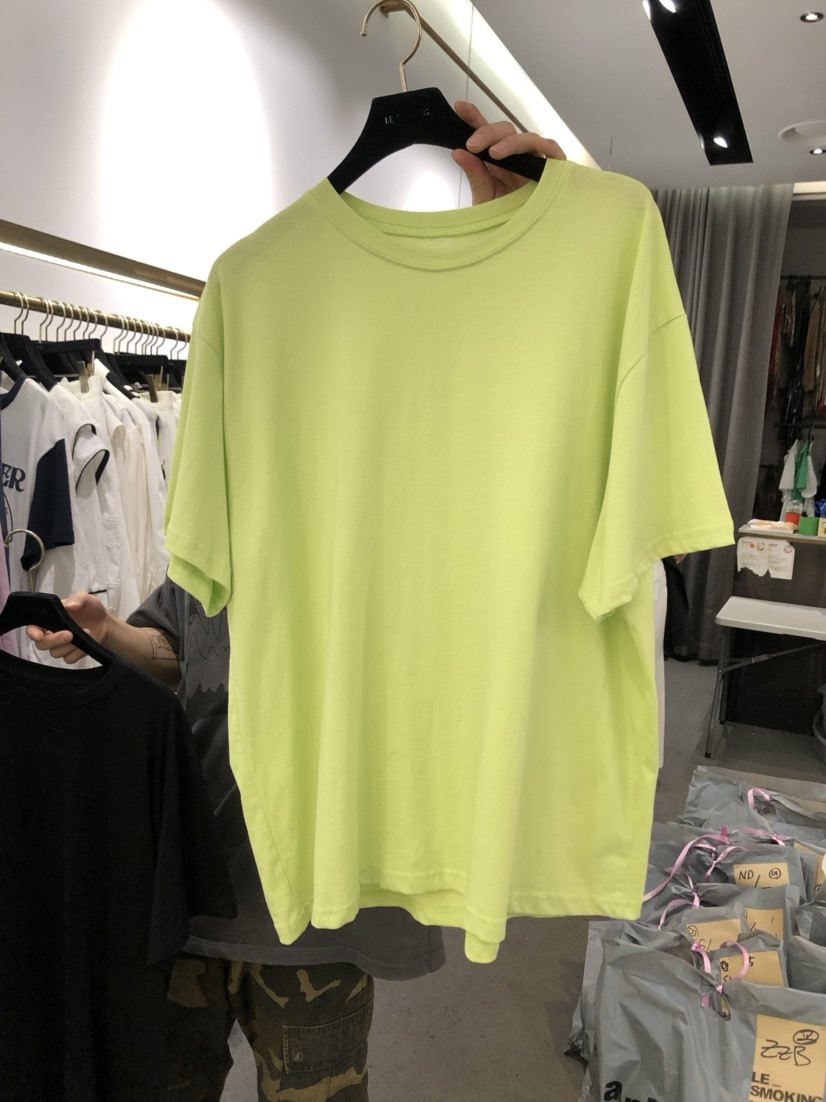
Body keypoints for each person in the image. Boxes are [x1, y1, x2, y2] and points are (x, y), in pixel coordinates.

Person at [27, 105, 567, 1102]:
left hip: (318, 915)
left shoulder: (426, 510)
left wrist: (536, 244)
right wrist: (113, 639)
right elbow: (180, 646)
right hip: (187, 894)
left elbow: (529, 421)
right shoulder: (239, 497)